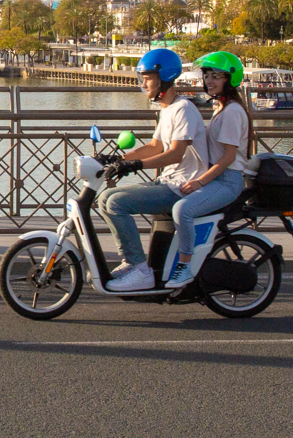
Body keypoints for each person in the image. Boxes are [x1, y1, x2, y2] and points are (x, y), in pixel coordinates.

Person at [99, 48, 214, 292]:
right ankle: (132, 262)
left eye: (148, 78)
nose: (144, 83)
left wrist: (135, 165)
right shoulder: (168, 108)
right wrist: (117, 158)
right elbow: (155, 146)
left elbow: (175, 153)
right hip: (168, 181)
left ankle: (139, 269)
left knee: (117, 202)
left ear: (165, 77)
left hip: (182, 186)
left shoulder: (183, 109)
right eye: (143, 78)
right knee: (104, 198)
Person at [147, 50, 257, 286]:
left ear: (230, 79)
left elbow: (228, 158)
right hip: (216, 179)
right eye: (207, 75)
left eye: (216, 75)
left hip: (227, 181)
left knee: (182, 210)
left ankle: (184, 267)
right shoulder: (222, 108)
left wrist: (200, 181)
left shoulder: (232, 113)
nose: (209, 80)